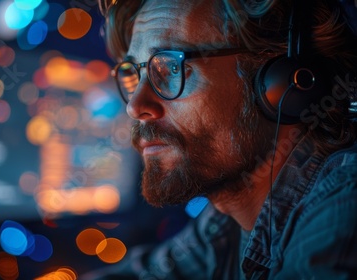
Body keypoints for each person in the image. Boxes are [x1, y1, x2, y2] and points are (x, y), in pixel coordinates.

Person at [82, 0, 357, 279]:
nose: (135, 106)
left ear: (281, 82)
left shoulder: (343, 209)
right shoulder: (224, 222)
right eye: (134, 74)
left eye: (171, 68)